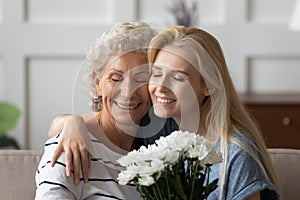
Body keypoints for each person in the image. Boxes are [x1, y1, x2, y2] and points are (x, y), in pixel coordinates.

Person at [48, 26, 281, 199]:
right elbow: (99, 123)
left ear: (208, 86)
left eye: (178, 77)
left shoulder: (235, 156)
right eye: (156, 74)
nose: (161, 87)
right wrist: (72, 123)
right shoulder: (161, 129)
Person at [35, 21, 157, 199]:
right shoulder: (70, 147)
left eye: (141, 79)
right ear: (97, 82)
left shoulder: (159, 151)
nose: (128, 91)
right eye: (115, 78)